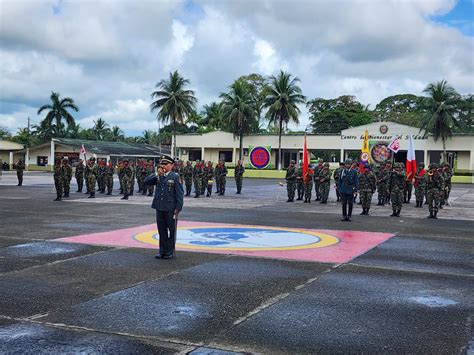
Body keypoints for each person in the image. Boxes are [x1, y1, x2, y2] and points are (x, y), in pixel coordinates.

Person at [144, 154, 184, 260]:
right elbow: (146, 181)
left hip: (170, 208)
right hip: (159, 207)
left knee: (171, 231)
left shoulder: (175, 177)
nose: (164, 166)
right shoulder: (159, 176)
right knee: (161, 230)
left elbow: (179, 194)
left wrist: (178, 208)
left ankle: (169, 252)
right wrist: (157, 174)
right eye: (162, 164)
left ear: (172, 165)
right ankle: (162, 251)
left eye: (166, 164)